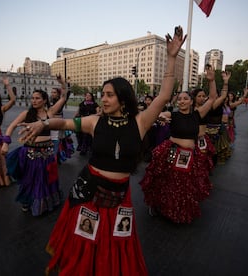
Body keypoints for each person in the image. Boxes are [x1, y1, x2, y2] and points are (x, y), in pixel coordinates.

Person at [18, 26, 186, 276]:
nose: (103, 99)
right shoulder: (94, 121)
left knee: (117, 244)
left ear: (122, 98)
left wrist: (171, 59)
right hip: (89, 192)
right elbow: (63, 123)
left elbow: (164, 95)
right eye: (102, 95)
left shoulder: (139, 122)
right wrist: (41, 123)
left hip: (120, 199)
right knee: (85, 243)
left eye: (109, 95)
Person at [140, 64, 217, 224]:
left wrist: (212, 81)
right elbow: (157, 114)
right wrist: (160, 117)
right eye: (180, 99)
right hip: (172, 152)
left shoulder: (197, 114)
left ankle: (179, 211)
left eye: (185, 99)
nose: (182, 101)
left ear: (191, 101)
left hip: (190, 157)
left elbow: (212, 98)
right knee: (167, 183)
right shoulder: (172, 115)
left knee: (184, 187)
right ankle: (158, 205)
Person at [1, 75, 67, 216]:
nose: (34, 101)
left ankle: (44, 204)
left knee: (47, 179)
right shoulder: (27, 113)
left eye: (37, 98)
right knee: (30, 179)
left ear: (44, 100)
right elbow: (11, 127)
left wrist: (62, 83)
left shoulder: (50, 113)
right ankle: (28, 201)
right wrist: (6, 143)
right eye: (32, 98)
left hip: (48, 153)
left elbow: (63, 98)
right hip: (30, 153)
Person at [204, 71, 231, 166]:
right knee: (207, 152)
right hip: (206, 131)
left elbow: (224, 95)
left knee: (214, 151)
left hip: (217, 129)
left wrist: (226, 82)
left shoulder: (218, 103)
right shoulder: (206, 102)